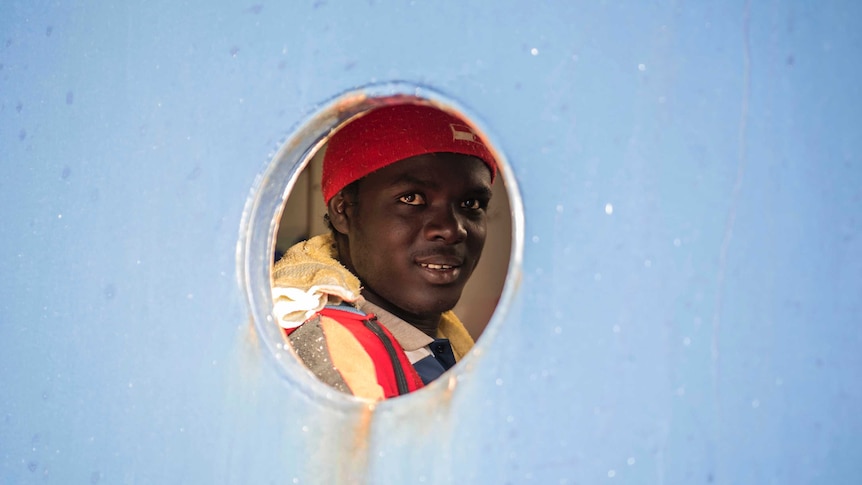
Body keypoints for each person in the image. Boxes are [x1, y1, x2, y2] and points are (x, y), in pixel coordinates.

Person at [271, 104, 497, 400]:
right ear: (344, 211)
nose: (453, 229)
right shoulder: (335, 352)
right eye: (412, 198)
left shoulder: (433, 344)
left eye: (471, 205)